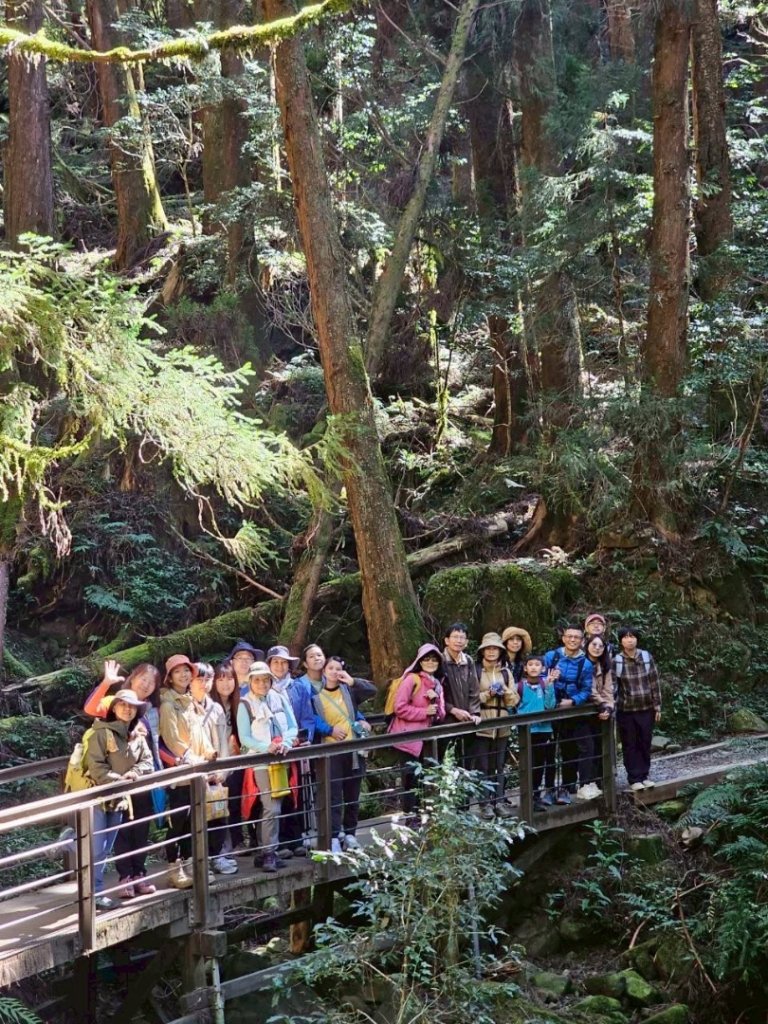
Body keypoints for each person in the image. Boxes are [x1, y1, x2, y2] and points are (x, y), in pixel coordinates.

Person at [83, 661, 163, 898]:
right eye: (143, 678)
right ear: (132, 678)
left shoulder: (146, 713)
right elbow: (90, 708)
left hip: (139, 781)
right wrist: (107, 682)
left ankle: (139, 874)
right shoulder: (111, 704)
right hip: (112, 786)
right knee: (119, 833)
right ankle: (124, 877)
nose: (147, 685)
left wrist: (139, 774)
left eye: (152, 682)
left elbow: (150, 752)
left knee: (140, 828)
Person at [159, 654, 218, 889]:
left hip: (197, 772)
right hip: (182, 773)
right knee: (178, 822)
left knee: (194, 821)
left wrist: (211, 754)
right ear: (170, 677)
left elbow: (199, 734)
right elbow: (172, 738)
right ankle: (175, 868)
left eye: (186, 671)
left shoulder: (190, 701)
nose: (183, 675)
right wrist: (191, 760)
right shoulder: (168, 704)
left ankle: (192, 866)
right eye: (178, 672)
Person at [237, 661, 297, 873]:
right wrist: (267, 747)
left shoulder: (279, 697)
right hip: (261, 762)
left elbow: (292, 726)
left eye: (265, 679)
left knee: (272, 805)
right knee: (272, 806)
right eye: (257, 680)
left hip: (281, 759)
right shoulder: (245, 704)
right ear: (250, 682)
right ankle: (270, 852)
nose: (262, 683)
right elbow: (245, 737)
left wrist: (285, 743)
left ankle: (266, 852)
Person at [312, 656, 372, 853]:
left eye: (338, 668)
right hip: (331, 753)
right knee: (334, 797)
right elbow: (313, 721)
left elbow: (372, 691)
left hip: (353, 750)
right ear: (324, 671)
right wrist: (329, 730)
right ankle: (334, 836)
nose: (334, 671)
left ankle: (351, 834)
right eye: (330, 668)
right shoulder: (316, 697)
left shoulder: (349, 691)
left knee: (353, 795)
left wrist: (352, 680)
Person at [266, 645, 314, 858]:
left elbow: (307, 718)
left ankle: (297, 838)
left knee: (298, 794)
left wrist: (303, 738)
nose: (279, 666)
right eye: (275, 662)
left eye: (283, 662)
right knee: (278, 796)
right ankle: (281, 842)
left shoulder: (298, 688)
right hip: (273, 751)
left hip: (295, 748)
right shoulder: (261, 687)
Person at [189, 669, 238, 875]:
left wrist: (224, 771)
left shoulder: (216, 707)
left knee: (218, 815)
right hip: (195, 769)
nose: (204, 682)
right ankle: (198, 862)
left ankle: (216, 856)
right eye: (199, 678)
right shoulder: (186, 706)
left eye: (208, 678)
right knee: (196, 818)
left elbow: (224, 742)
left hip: (216, 772)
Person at [388, 643, 445, 821]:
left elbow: (441, 714)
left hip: (426, 740)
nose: (430, 662)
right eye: (426, 659)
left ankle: (423, 815)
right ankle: (410, 817)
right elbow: (399, 707)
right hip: (408, 738)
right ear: (419, 661)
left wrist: (435, 705)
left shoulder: (437, 684)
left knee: (424, 777)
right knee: (410, 778)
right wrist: (423, 712)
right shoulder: (411, 680)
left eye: (434, 660)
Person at [543, 625, 595, 805]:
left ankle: (566, 787)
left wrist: (573, 701)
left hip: (571, 712)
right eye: (569, 636)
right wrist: (548, 682)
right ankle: (548, 789)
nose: (572, 640)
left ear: (582, 641)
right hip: (550, 709)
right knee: (549, 751)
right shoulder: (551, 657)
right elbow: (537, 677)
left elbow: (586, 689)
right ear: (563, 638)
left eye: (577, 638)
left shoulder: (586, 663)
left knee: (569, 750)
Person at [475, 633, 519, 819]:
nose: (491, 652)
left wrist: (505, 690)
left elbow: (514, 700)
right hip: (483, 723)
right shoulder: (476, 671)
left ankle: (499, 802)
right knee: (483, 765)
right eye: (488, 648)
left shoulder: (506, 673)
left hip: (502, 723)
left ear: (500, 652)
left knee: (499, 765)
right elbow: (471, 699)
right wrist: (488, 693)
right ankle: (485, 804)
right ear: (483, 651)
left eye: (495, 649)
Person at [614, 628, 661, 792]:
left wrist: (657, 706)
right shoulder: (617, 660)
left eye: (632, 637)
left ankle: (644, 775)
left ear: (637, 639)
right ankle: (634, 777)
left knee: (645, 742)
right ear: (621, 641)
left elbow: (654, 682)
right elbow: (614, 686)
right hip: (626, 710)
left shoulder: (646, 657)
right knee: (630, 744)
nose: (629, 640)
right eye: (625, 637)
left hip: (646, 708)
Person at [211, 663, 246, 851]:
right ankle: (221, 846)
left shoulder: (238, 704)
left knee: (234, 801)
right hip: (216, 762)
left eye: (230, 678)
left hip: (235, 759)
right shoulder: (209, 705)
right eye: (221, 679)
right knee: (218, 804)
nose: (226, 684)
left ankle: (237, 840)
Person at [516, 654, 557, 811]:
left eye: (537, 664)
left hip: (544, 729)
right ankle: (527, 797)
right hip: (526, 732)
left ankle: (536, 797)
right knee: (527, 764)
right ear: (525, 668)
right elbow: (513, 707)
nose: (534, 667)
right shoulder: (519, 686)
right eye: (530, 664)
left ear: (543, 668)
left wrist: (550, 686)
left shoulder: (545, 684)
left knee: (540, 764)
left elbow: (550, 706)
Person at [441, 623, 481, 770]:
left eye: (462, 637)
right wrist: (452, 710)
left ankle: (466, 791)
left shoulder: (468, 661)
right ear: (446, 640)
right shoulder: (440, 661)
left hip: (467, 719)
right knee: (446, 760)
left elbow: (474, 689)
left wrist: (474, 712)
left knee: (467, 760)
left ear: (467, 642)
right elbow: (437, 693)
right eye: (455, 637)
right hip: (446, 719)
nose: (459, 641)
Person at [584, 634, 614, 799]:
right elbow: (589, 688)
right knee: (587, 748)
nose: (597, 648)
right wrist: (602, 704)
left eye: (600, 646)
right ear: (587, 645)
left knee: (599, 746)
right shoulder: (583, 663)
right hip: (586, 710)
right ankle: (586, 783)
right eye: (594, 644)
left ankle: (600, 781)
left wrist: (608, 707)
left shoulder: (604, 665)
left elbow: (608, 688)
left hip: (601, 711)